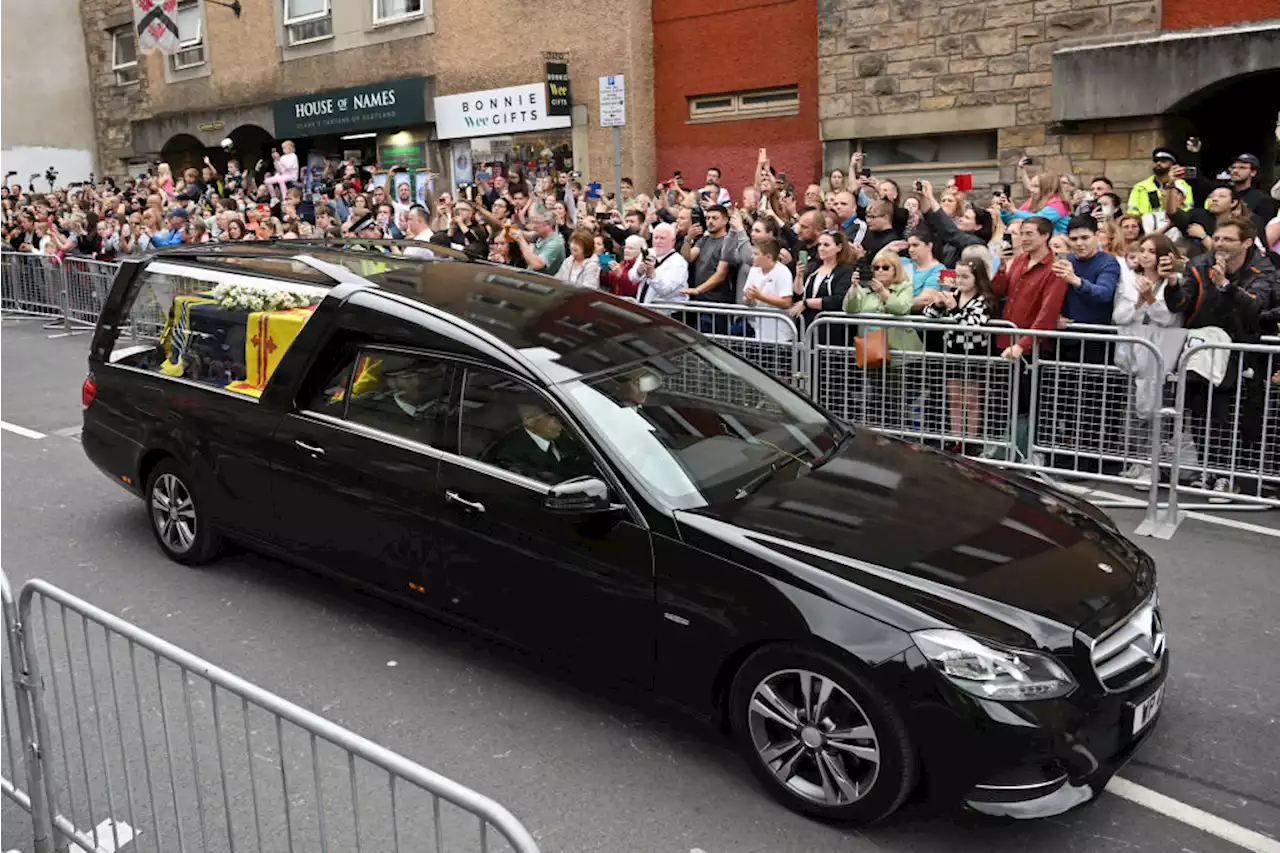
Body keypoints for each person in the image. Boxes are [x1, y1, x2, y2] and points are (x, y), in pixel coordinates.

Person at [991, 217, 1069, 460]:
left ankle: (1026, 454)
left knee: (1027, 404)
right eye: (1021, 233)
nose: (1023, 238)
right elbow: (998, 291)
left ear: (1045, 236)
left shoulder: (1054, 268)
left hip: (1030, 349)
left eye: (1029, 234)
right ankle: (1008, 451)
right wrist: (1002, 267)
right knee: (1006, 401)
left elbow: (1047, 314)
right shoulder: (1019, 261)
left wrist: (1022, 345)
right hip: (1006, 340)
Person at [1112, 233, 1184, 487]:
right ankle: (1138, 460)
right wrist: (1138, 303)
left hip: (1160, 351)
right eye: (1142, 250)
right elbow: (1119, 315)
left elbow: (1169, 318)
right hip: (1132, 349)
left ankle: (1153, 464)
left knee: (1156, 409)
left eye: (1152, 251)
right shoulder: (1129, 281)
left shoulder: (1174, 283)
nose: (1145, 255)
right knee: (1134, 409)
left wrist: (1150, 300)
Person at [923, 258, 996, 452]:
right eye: (957, 276)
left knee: (971, 400)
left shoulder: (983, 299)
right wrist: (939, 305)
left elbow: (972, 325)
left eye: (966, 277)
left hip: (974, 353)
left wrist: (954, 308)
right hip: (953, 351)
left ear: (977, 278)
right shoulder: (953, 294)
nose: (960, 281)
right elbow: (928, 314)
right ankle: (956, 439)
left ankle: (970, 440)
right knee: (954, 398)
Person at [491, 403, 591, 485]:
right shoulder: (512, 455)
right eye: (552, 417)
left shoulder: (566, 438)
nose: (560, 423)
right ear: (529, 420)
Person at [794, 229, 856, 341]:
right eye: (819, 244)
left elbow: (838, 300)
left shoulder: (845, 270)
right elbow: (799, 293)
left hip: (830, 330)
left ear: (839, 247)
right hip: (807, 326)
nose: (821, 248)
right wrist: (798, 276)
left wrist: (807, 303)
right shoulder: (813, 267)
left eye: (826, 245)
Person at [742, 237, 796, 343]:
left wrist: (760, 296)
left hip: (781, 335)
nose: (752, 256)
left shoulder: (783, 272)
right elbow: (746, 299)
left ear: (768, 257)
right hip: (759, 332)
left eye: (756, 254)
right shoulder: (754, 270)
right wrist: (748, 298)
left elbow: (786, 302)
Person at [630, 223, 689, 309]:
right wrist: (639, 271)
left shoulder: (678, 262)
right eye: (656, 238)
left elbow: (665, 289)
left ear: (672, 241)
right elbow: (632, 277)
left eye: (662, 238)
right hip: (645, 308)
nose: (658, 241)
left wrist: (652, 275)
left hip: (668, 314)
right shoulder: (647, 253)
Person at [1127, 148, 1194, 216]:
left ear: (1173, 165)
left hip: (1174, 224)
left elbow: (1187, 211)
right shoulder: (1140, 187)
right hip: (1145, 225)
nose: (1158, 163)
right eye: (1156, 161)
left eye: (1163, 161)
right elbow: (1132, 213)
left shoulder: (1183, 186)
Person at [1001, 169, 1070, 233]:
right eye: (1031, 186)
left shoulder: (1058, 204)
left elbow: (1038, 220)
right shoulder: (1033, 201)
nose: (1031, 190)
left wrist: (1013, 210)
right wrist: (1005, 210)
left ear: (1048, 188)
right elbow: (1013, 218)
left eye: (1036, 186)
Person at [513, 210, 565, 275]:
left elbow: (537, 265)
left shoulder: (556, 243)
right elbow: (527, 235)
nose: (533, 226)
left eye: (537, 223)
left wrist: (521, 240)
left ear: (549, 225)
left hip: (544, 282)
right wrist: (512, 230)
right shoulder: (540, 235)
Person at [1228, 154, 1276, 222]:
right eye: (1233, 167)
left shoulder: (1262, 199)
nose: (1235, 171)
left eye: (1242, 168)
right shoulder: (1222, 195)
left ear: (1253, 172)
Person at [903, 228, 944, 309]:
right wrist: (889, 248)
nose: (910, 250)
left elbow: (926, 300)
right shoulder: (903, 262)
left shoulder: (943, 271)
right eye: (909, 246)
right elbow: (874, 266)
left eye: (915, 245)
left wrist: (894, 304)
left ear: (929, 246)